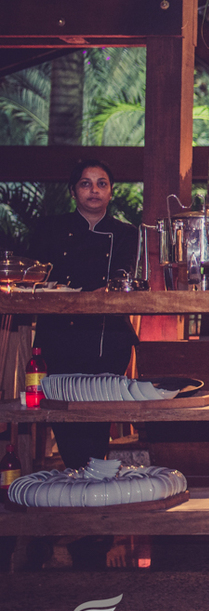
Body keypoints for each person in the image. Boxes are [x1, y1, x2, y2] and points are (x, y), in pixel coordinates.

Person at [30, 159, 138, 469]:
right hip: (59, 336)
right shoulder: (49, 228)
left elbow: (124, 278)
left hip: (108, 338)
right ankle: (76, 471)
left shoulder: (126, 233)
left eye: (101, 183)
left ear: (111, 192)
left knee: (98, 414)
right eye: (86, 183)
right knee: (63, 412)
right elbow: (37, 276)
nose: (94, 190)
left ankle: (94, 475)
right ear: (73, 192)